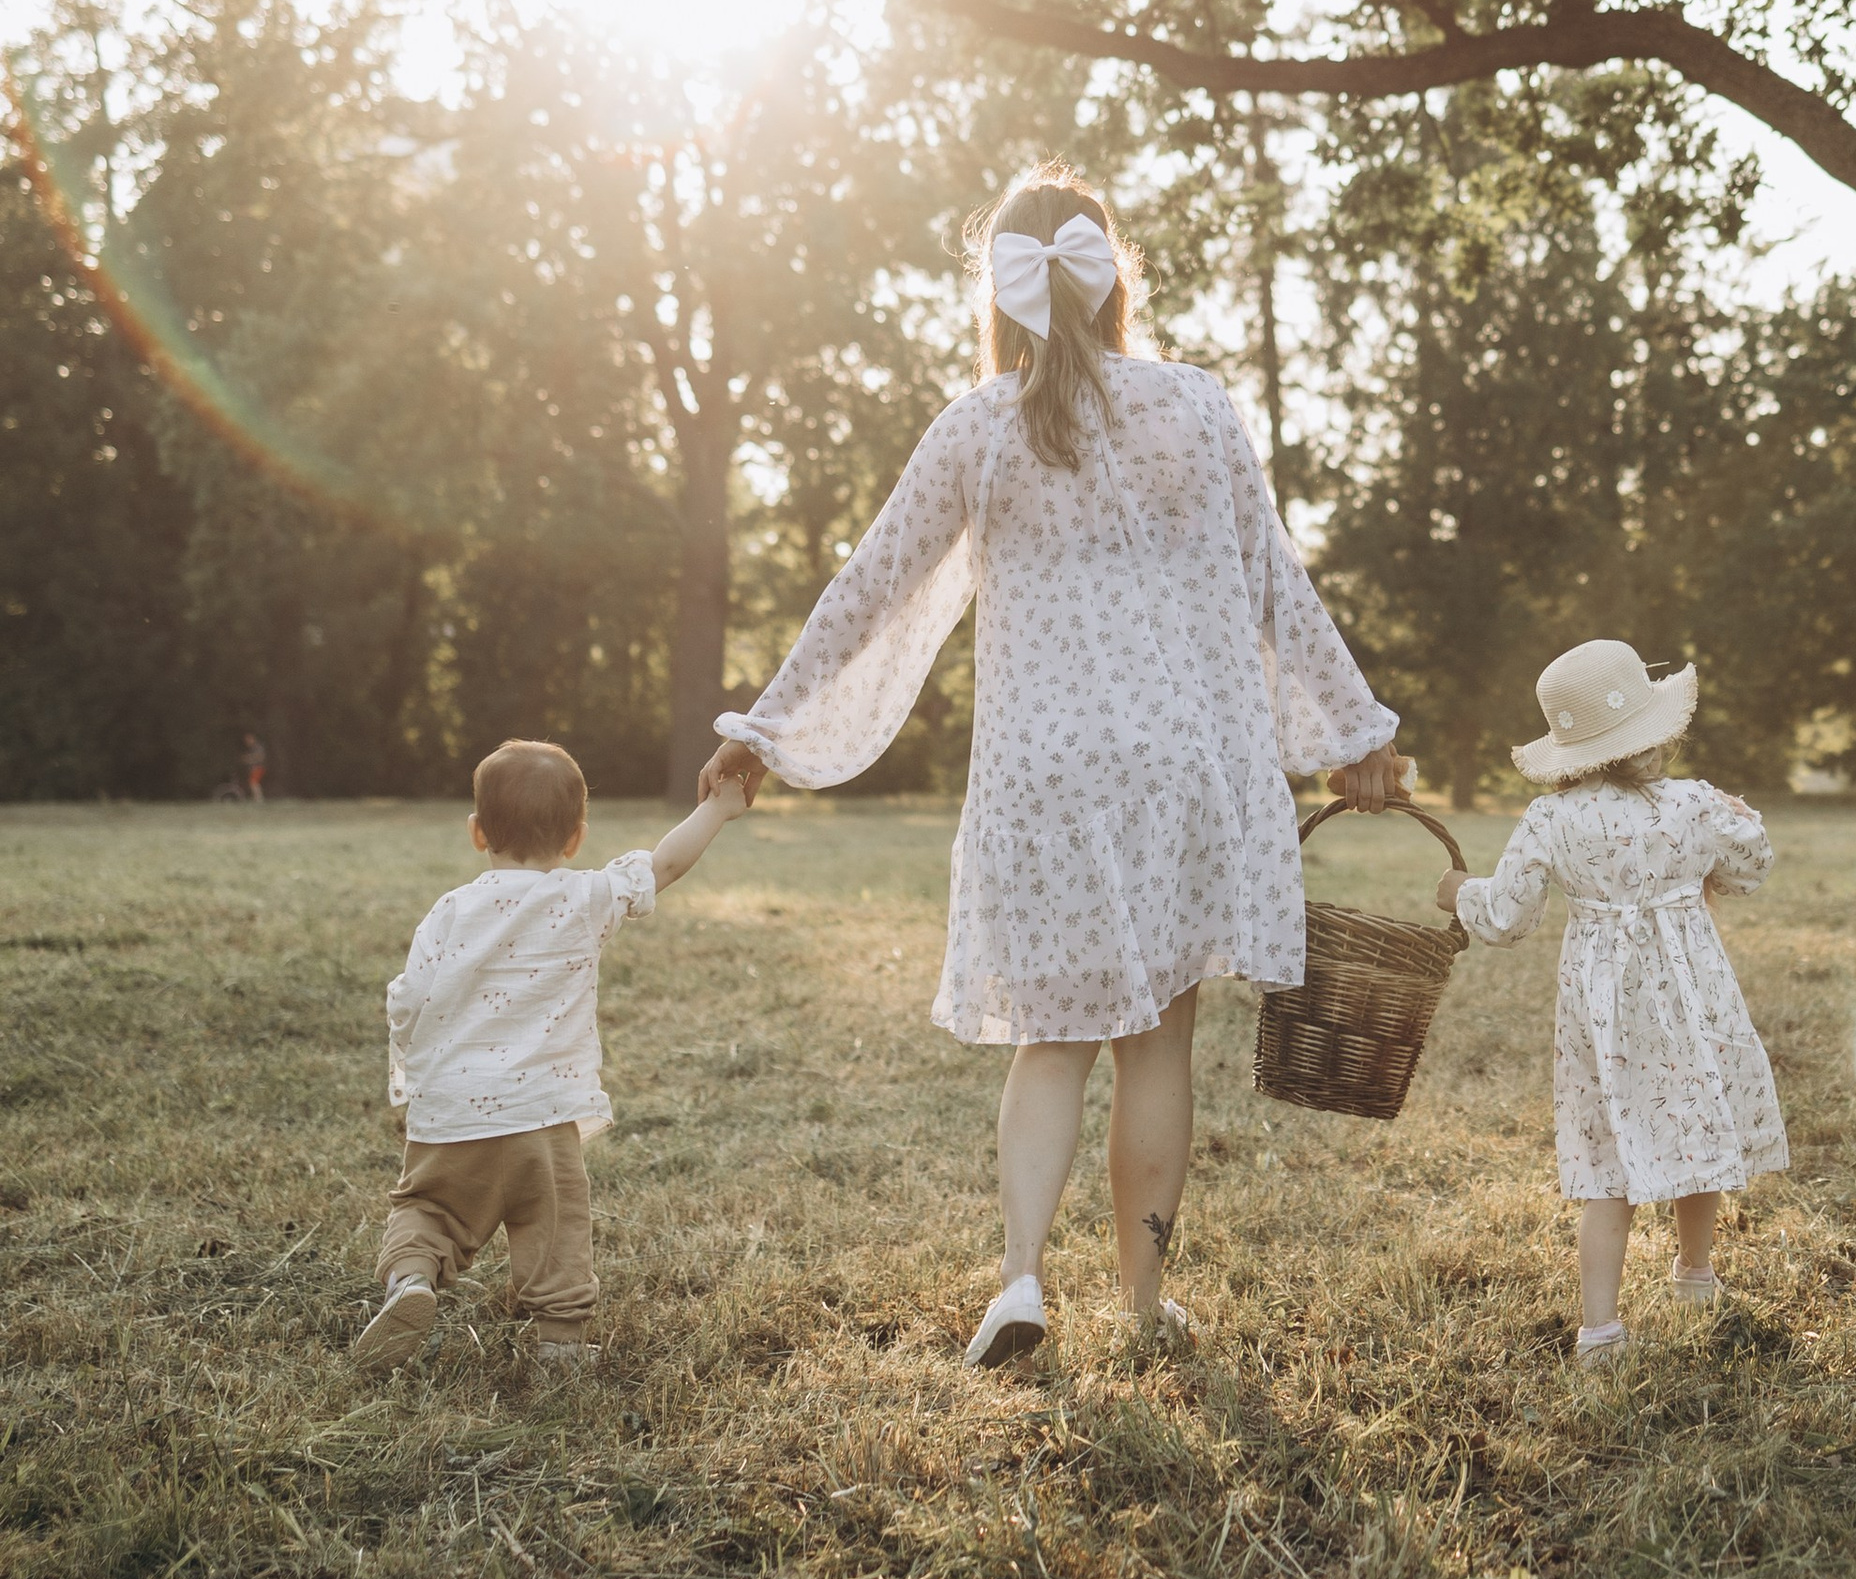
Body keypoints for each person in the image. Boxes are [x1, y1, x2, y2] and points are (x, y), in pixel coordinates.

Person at [697, 166, 1406, 1365]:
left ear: (1004, 294)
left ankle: (1020, 1282)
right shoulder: (1193, 404)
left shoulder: (978, 427)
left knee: (1051, 1040)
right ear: (1113, 277)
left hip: (1045, 775)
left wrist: (764, 724)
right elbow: (1276, 582)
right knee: (1158, 1045)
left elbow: (867, 588)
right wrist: (1353, 732)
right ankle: (1139, 1307)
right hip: (1183, 762)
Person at [1435, 638, 1786, 1369]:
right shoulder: (1693, 803)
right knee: (1696, 1120)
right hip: (1693, 992)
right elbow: (1750, 868)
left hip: (1606, 1009)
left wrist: (1458, 893)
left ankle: (1599, 1331)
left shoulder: (1550, 819)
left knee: (1609, 1149)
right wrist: (1738, 819)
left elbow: (1507, 918)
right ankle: (1695, 1275)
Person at [355, 736, 739, 1374]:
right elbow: (664, 865)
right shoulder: (584, 898)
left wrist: (420, 1065)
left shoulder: (448, 912)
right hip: (543, 1116)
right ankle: (560, 1343)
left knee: (427, 1209)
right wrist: (719, 809)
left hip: (453, 1119)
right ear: (577, 838)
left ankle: (411, 1283)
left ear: (478, 833)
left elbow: (409, 998)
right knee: (556, 1225)